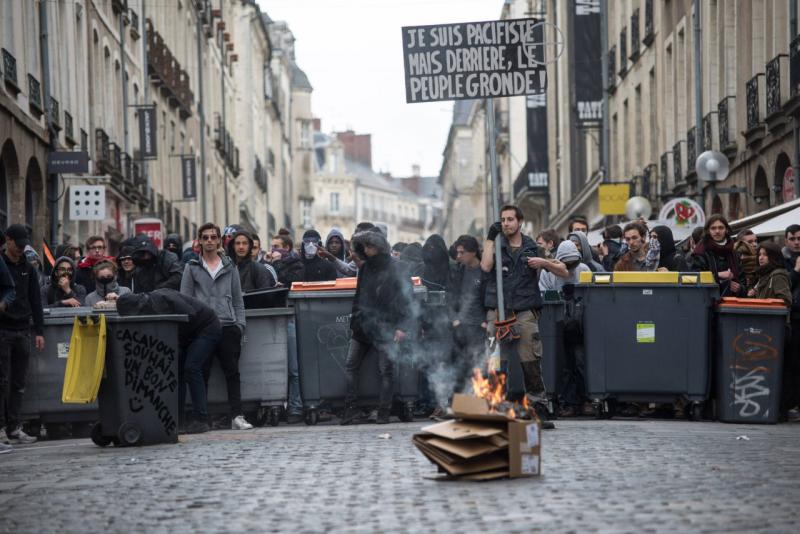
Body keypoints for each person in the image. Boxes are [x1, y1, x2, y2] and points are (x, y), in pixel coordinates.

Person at [481, 205, 563, 429]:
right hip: (498, 312)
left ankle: (538, 407)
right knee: (497, 362)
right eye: (503, 220)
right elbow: (486, 266)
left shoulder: (532, 247)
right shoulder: (496, 246)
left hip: (525, 312)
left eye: (510, 219)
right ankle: (496, 407)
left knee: (531, 361)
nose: (506, 223)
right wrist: (490, 237)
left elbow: (563, 270)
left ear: (520, 221)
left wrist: (544, 263)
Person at [117, 289, 222, 434]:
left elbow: (189, 314)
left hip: (207, 327)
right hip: (189, 333)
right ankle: (178, 421)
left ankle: (201, 419)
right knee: (177, 372)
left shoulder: (163, 298)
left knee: (191, 368)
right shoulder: (148, 305)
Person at [181, 223, 252, 430]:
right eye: (206, 237)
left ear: (220, 240)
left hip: (228, 325)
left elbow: (238, 300)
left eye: (213, 237)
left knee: (232, 372)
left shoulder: (230, 266)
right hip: (202, 327)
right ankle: (201, 418)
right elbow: (185, 299)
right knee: (201, 372)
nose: (210, 241)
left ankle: (237, 416)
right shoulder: (191, 266)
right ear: (199, 241)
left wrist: (240, 326)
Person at [341, 227, 412, 425]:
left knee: (386, 370)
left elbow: (407, 300)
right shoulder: (365, 268)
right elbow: (359, 295)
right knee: (350, 365)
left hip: (387, 327)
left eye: (370, 246)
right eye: (364, 246)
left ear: (379, 247)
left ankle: (384, 411)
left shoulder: (398, 268)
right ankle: (350, 409)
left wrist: (402, 327)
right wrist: (355, 318)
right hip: (363, 326)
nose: (366, 249)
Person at [0, 225, 44, 448]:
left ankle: (14, 427)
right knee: (2, 381)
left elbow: (35, 300)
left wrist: (39, 331)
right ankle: (1, 429)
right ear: (7, 240)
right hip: (3, 329)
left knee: (19, 382)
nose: (19, 249)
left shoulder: (28, 267)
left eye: (22, 246)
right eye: (16, 245)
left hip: (23, 329)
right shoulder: (1, 264)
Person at [449, 235, 487, 387]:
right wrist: (455, 320)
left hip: (479, 327)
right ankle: (463, 404)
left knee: (478, 367)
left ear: (472, 252)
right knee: (461, 368)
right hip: (461, 328)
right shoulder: (459, 271)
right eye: (457, 252)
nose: (458, 256)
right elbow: (452, 297)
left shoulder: (485, 271)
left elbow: (491, 298)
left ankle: (479, 403)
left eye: (461, 252)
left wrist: (485, 322)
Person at [691, 214, 744, 297]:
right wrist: (718, 275)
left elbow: (743, 282)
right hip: (708, 302)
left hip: (732, 304)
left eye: (721, 227)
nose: (717, 231)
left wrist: (739, 288)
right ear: (708, 230)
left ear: (726, 230)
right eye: (713, 228)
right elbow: (693, 278)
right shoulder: (700, 252)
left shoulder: (734, 253)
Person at [781, 224, 800, 420]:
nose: (796, 242)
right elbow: (785, 287)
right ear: (786, 240)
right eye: (793, 238)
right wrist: (796, 271)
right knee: (792, 364)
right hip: (793, 319)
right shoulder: (783, 261)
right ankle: (791, 404)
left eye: (799, 239)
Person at [747, 242, 793, 307]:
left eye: (765, 255)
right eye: (759, 254)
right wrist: (753, 296)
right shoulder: (764, 274)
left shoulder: (778, 275)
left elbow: (786, 301)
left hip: (772, 316)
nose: (760, 258)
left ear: (773, 256)